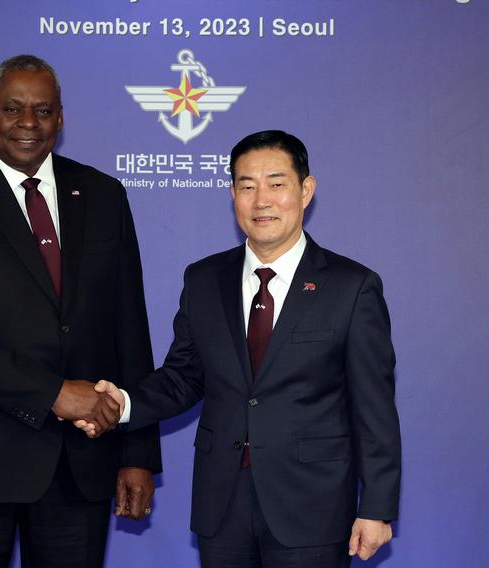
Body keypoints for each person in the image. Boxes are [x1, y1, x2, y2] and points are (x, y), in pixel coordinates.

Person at [80, 130, 401, 567]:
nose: (261, 200)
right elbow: (183, 377)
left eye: (276, 183)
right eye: (247, 186)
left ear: (305, 190)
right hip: (222, 504)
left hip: (312, 507)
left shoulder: (352, 287)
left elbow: (374, 407)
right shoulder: (204, 279)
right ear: (232, 195)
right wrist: (125, 403)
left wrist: (376, 507)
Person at [0, 54, 161, 568]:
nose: (28, 123)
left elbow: (129, 328)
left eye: (42, 111)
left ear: (60, 119)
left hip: (77, 468)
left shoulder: (105, 195)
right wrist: (54, 394)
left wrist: (138, 455)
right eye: (12, 109)